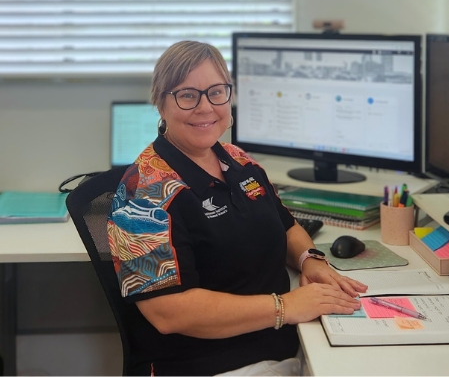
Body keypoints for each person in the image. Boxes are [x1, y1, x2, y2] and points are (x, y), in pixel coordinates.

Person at [107, 40, 367, 376]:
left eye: (217, 92)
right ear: (161, 103)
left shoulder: (238, 161)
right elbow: (169, 313)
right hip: (212, 364)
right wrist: (285, 306)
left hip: (286, 343)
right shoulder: (144, 193)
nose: (205, 108)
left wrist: (310, 259)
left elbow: (285, 225)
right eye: (187, 95)